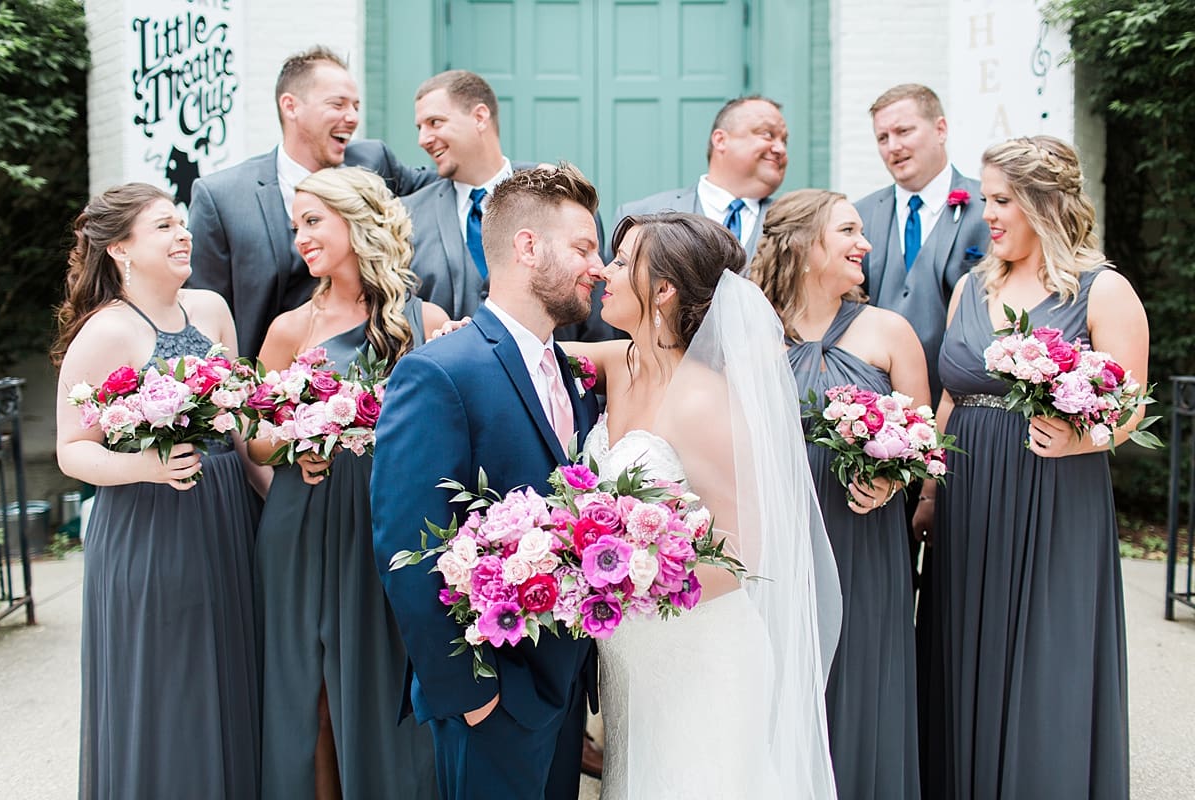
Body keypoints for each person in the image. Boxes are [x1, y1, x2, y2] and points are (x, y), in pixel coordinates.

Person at [565, 212, 842, 798]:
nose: (603, 273)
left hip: (701, 655)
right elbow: (522, 355)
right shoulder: (620, 361)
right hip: (631, 656)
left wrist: (623, 583)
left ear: (662, 288)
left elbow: (744, 555)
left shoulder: (705, 402)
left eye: (620, 262)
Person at [372, 164, 603, 799]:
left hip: (562, 691)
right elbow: (407, 545)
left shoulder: (572, 373)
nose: (598, 266)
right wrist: (473, 695)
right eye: (583, 247)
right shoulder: (438, 372)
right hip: (492, 694)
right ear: (527, 248)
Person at [923, 136, 1143, 798]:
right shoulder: (970, 284)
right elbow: (949, 397)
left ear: (1044, 203)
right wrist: (930, 489)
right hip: (968, 501)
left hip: (1052, 495)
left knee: (1048, 656)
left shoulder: (1102, 290)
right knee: (964, 654)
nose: (986, 214)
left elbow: (1131, 404)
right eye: (984, 199)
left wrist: (1084, 441)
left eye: (1001, 200)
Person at [54, 184, 260, 798]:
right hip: (150, 526)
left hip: (225, 516)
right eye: (165, 226)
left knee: (228, 668)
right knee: (168, 680)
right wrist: (147, 466)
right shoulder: (105, 333)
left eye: (182, 223)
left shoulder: (213, 309)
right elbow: (72, 448)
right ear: (120, 248)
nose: (183, 235)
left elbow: (241, 420)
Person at [248, 167, 445, 799]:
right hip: (302, 523)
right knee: (314, 695)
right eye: (295, 226)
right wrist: (296, 441)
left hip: (388, 524)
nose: (300, 238)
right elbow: (253, 437)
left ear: (357, 224)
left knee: (387, 685)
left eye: (312, 222)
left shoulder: (423, 320)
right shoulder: (289, 329)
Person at [751, 190, 929, 799]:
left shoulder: (889, 331)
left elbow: (926, 445)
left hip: (864, 539)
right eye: (848, 231)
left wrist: (892, 479)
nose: (866, 243)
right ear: (803, 247)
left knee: (862, 676)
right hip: (778, 542)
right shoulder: (749, 334)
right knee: (781, 678)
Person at [188, 45, 437, 358]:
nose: (352, 117)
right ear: (290, 106)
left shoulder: (373, 161)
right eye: (338, 104)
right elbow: (203, 309)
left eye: (356, 106)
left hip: (383, 352)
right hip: (269, 379)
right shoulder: (222, 196)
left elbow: (445, 184)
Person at [404, 69, 613, 342]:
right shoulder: (407, 215)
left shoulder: (559, 196)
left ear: (480, 117)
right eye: (420, 128)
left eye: (435, 122)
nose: (423, 139)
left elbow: (596, 317)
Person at [854, 84, 988, 407]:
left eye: (903, 131)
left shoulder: (988, 209)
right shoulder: (861, 214)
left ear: (940, 129)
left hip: (966, 403)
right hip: (879, 408)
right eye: (882, 138)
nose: (893, 147)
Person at [612, 96, 789, 264]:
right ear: (720, 140)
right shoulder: (640, 215)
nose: (780, 149)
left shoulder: (793, 225)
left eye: (784, 141)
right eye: (767, 134)